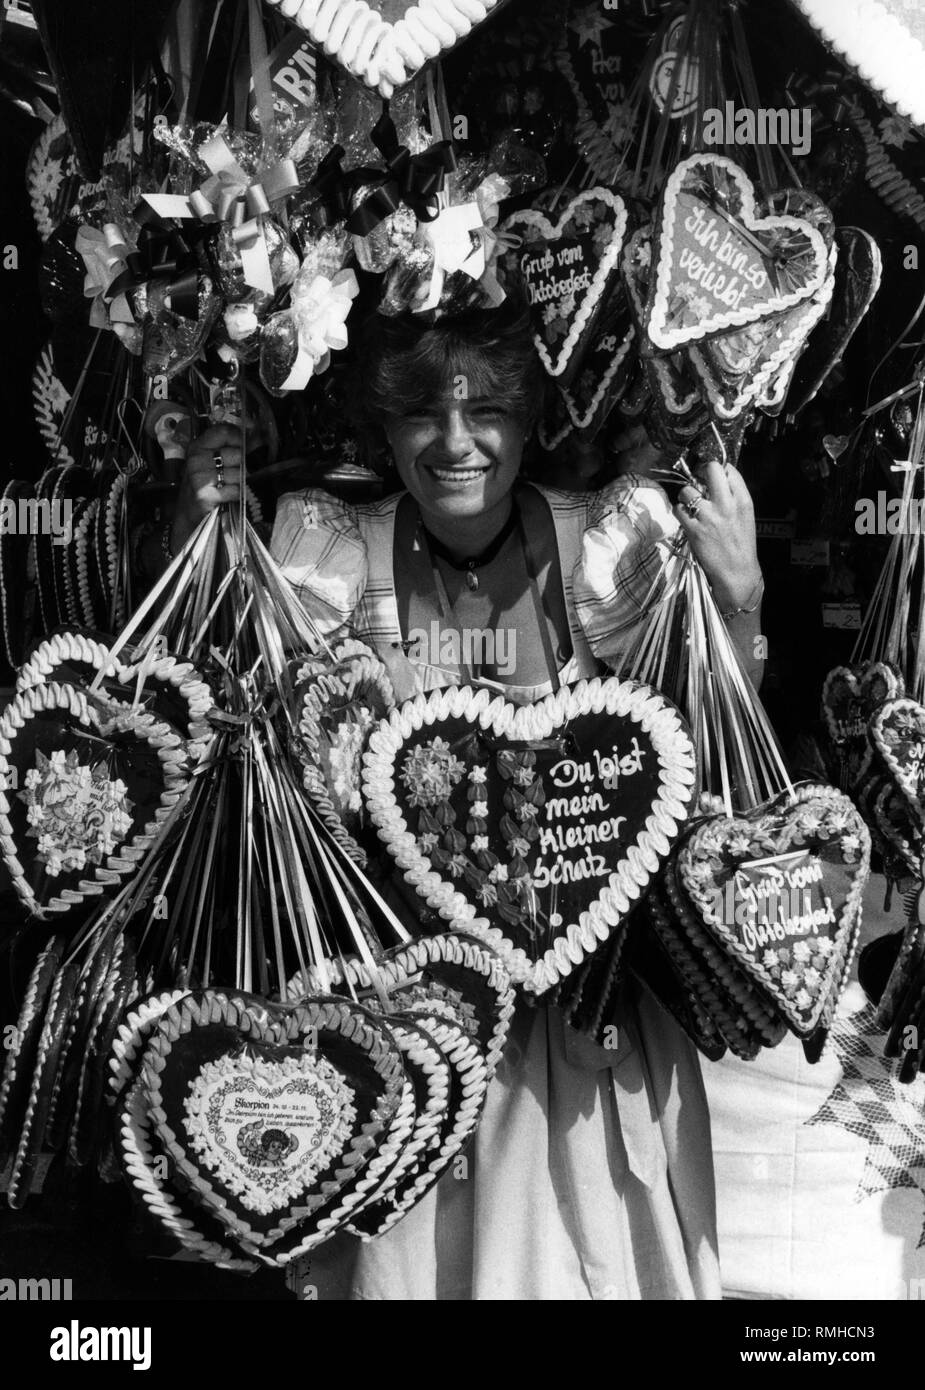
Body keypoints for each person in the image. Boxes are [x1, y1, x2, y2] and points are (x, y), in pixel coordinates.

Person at [169, 300, 764, 1300]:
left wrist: (736, 598)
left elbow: (709, 751)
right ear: (383, 427)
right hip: (412, 1017)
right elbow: (237, 725)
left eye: (486, 409)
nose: (455, 442)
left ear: (529, 421)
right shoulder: (329, 543)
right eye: (421, 416)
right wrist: (204, 527)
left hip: (591, 1022)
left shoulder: (606, 541)